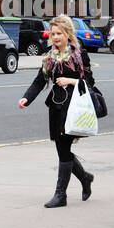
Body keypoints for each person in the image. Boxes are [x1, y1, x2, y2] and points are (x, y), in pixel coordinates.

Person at [18, 14, 95, 208]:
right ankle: (85, 178)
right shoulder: (49, 57)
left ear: (68, 34)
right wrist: (26, 98)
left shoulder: (79, 55)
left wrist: (71, 80)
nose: (55, 37)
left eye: (59, 33)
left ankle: (61, 195)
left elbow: (90, 82)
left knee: (63, 148)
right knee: (63, 148)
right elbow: (39, 81)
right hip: (56, 107)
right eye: (53, 34)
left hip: (74, 107)